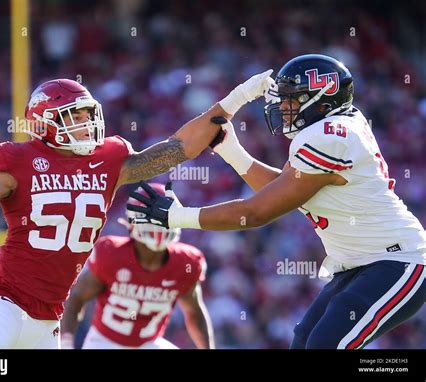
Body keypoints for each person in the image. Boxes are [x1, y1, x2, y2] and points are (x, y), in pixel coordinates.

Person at [0, 72, 272, 348]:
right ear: (45, 122)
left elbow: (178, 149)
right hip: (3, 301)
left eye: (87, 114)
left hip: (49, 314)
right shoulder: (17, 159)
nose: (86, 123)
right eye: (74, 116)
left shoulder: (108, 159)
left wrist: (234, 100)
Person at [128, 54, 426, 349]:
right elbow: (283, 192)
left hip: (398, 261)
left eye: (292, 100)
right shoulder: (335, 128)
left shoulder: (330, 137)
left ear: (323, 103)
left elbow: (256, 212)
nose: (283, 107)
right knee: (305, 341)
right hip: (359, 264)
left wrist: (176, 217)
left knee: (325, 345)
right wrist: (233, 152)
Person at [61, 184, 214, 349]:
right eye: (152, 215)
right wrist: (66, 344)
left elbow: (194, 313)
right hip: (104, 342)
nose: (158, 223)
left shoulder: (185, 263)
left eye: (163, 216)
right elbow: (76, 299)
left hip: (149, 343)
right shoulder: (111, 255)